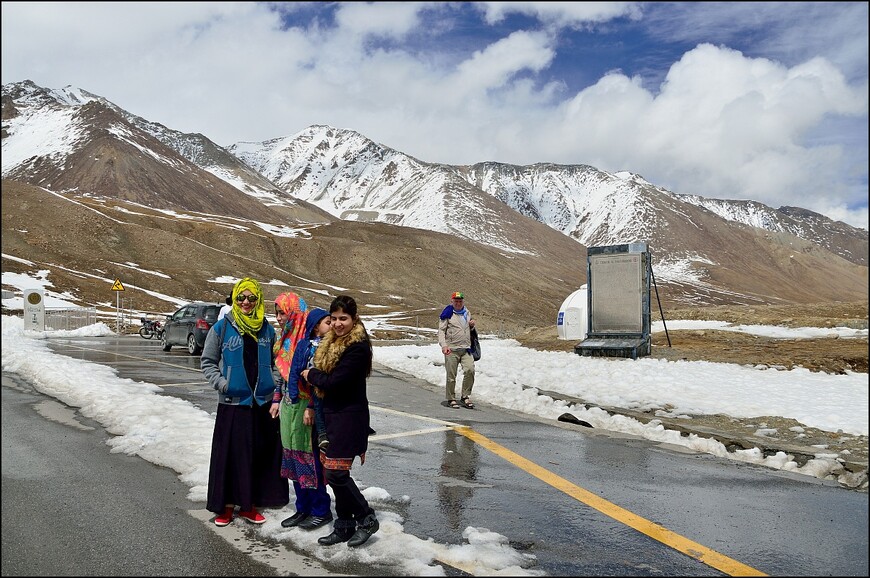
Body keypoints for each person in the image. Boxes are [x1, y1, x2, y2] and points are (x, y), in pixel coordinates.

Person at [201, 278, 288, 526]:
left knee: (256, 456)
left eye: (251, 298)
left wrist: (271, 385)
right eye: (241, 297)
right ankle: (226, 507)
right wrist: (224, 384)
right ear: (235, 299)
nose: (246, 302)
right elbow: (207, 362)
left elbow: (276, 364)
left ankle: (250, 505)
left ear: (258, 299)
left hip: (261, 403)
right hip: (232, 403)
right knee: (229, 456)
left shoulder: (267, 330)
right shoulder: (221, 328)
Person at [300, 295, 379, 548]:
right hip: (332, 417)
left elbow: (335, 383)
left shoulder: (357, 347)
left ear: (354, 319)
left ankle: (366, 517)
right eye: (333, 319)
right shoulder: (331, 342)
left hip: (349, 418)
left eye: (343, 318)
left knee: (336, 473)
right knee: (332, 471)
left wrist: (311, 374)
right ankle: (344, 524)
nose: (337, 324)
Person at [268, 294, 333, 531]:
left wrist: (312, 407)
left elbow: (316, 379)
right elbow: (283, 376)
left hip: (306, 406)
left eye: (282, 313)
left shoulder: (309, 341)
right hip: (288, 405)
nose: (278, 318)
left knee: (309, 458)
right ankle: (302, 507)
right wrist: (277, 399)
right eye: (276, 313)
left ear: (294, 312)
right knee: (292, 457)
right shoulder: (286, 339)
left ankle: (320, 509)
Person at [438, 291, 476, 409]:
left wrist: (471, 326)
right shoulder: (447, 313)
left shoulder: (467, 313)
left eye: (460, 301)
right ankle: (451, 398)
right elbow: (441, 331)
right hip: (451, 349)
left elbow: (467, 329)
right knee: (451, 375)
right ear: (452, 301)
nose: (458, 303)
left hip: (466, 349)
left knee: (470, 370)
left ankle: (465, 396)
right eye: (456, 301)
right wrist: (444, 345)